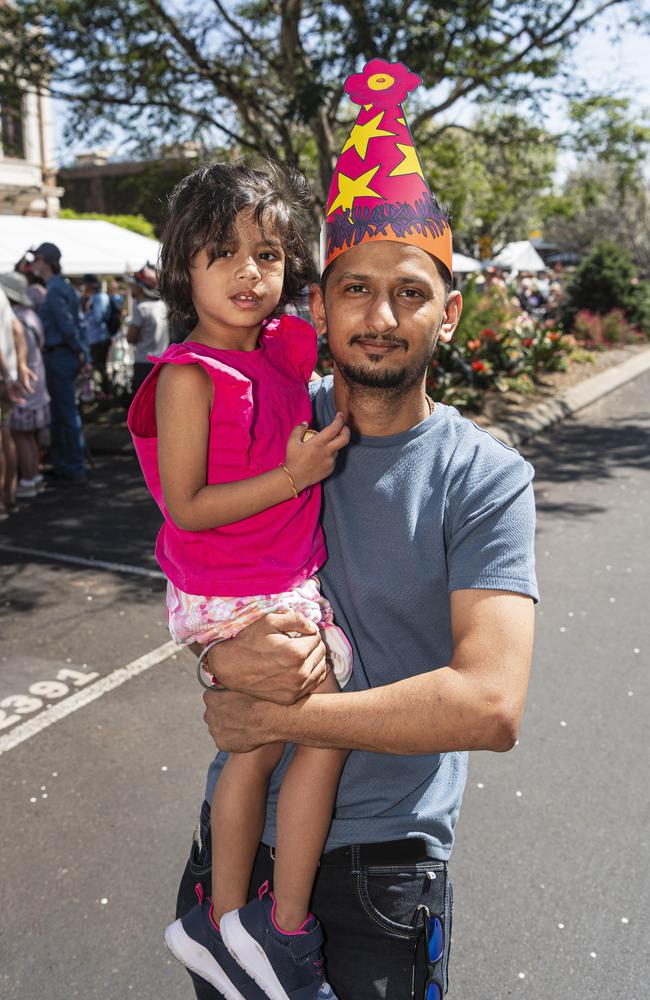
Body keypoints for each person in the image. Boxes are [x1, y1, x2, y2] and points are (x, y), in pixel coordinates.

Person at [177, 60, 538, 1000]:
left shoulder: (485, 477)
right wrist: (218, 666)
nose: (380, 317)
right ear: (319, 307)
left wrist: (288, 713)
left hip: (380, 875)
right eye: (355, 290)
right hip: (235, 849)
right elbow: (193, 557)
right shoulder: (273, 422)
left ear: (449, 313)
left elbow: (490, 704)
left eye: (411, 293)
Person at [128, 162, 354, 1000]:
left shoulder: (271, 355)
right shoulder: (189, 374)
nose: (249, 272)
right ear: (182, 268)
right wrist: (294, 477)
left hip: (268, 578)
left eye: (267, 252)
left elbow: (307, 334)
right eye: (222, 252)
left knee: (255, 758)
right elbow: (186, 505)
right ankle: (276, 926)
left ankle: (220, 924)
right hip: (240, 587)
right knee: (325, 730)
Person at [31, 242, 90, 484]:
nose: (33, 262)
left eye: (36, 258)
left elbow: (67, 326)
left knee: (65, 413)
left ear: (45, 260)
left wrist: (80, 352)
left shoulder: (55, 290)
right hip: (63, 354)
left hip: (59, 355)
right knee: (65, 412)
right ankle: (67, 465)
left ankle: (72, 467)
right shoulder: (62, 287)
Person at [0, 272, 50, 498]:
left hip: (21, 383)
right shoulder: (31, 314)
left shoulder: (17, 316)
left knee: (18, 436)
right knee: (28, 436)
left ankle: (26, 481)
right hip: (35, 377)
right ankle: (33, 478)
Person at [0, 284, 35, 512]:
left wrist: (8, 375)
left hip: (4, 377)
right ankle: (9, 494)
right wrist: (19, 366)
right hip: (7, 377)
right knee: (6, 437)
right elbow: (17, 329)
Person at [125, 264, 170, 393]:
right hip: (161, 360)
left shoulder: (142, 308)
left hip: (143, 362)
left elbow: (130, 337)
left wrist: (137, 335)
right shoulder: (162, 305)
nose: (131, 288)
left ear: (141, 287)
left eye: (134, 285)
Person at [80, 273, 112, 396]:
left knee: (99, 367)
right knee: (98, 367)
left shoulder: (99, 298)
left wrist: (86, 315)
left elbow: (98, 318)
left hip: (99, 338)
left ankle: (105, 393)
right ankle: (104, 393)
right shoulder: (97, 297)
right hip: (97, 338)